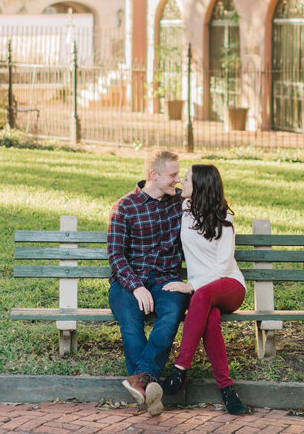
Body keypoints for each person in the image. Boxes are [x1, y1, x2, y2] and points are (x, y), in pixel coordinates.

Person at [159, 163, 249, 415]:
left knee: (202, 295)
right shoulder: (183, 209)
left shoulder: (225, 219)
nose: (180, 183)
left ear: (200, 187)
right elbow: (153, 188)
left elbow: (222, 266)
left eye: (186, 180)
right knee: (209, 319)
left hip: (229, 285)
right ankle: (227, 390)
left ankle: (180, 368)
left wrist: (191, 285)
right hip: (202, 296)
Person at [107, 148, 189, 417]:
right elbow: (116, 256)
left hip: (167, 281)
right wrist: (136, 286)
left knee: (172, 314)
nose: (177, 180)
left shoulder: (180, 203)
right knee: (131, 328)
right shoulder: (124, 207)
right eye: (172, 175)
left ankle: (139, 381)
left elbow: (212, 209)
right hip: (129, 283)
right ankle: (149, 384)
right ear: (153, 175)